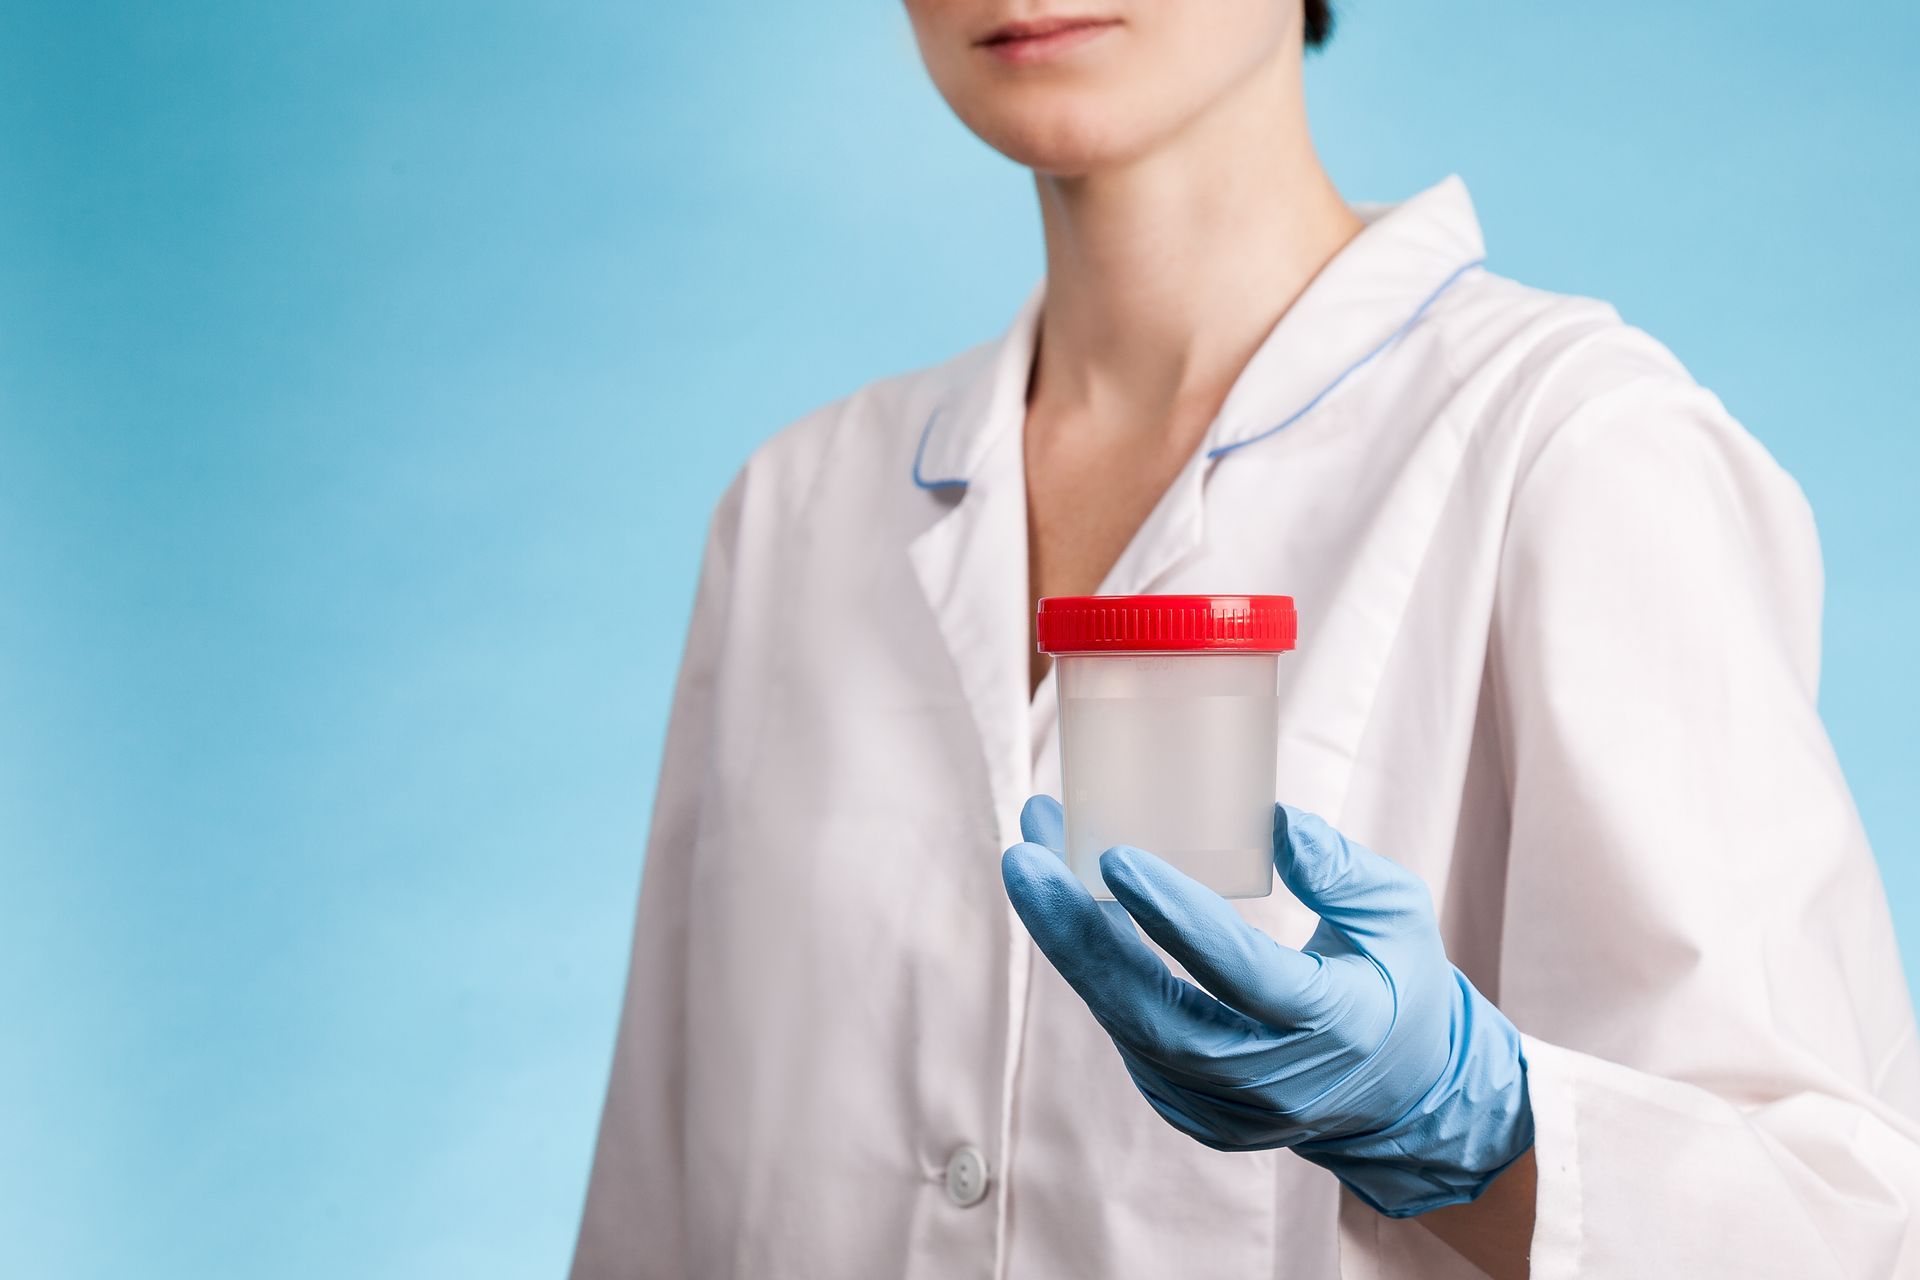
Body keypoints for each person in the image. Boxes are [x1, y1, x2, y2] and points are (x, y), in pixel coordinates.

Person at [572, 3, 1920, 1276]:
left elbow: (1837, 1233)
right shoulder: (794, 518)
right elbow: (653, 1216)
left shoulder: (1568, 447)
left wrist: (1467, 1120)